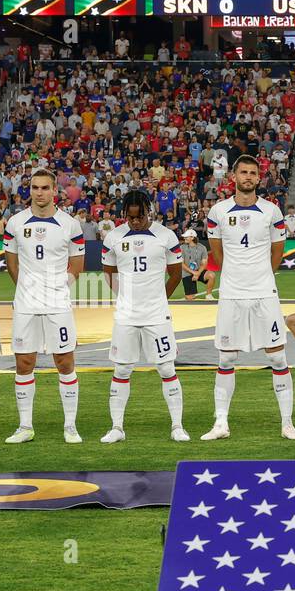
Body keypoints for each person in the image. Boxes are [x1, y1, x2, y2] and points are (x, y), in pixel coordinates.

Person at [201, 155, 295, 441]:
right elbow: (217, 252)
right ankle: (221, 423)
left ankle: (287, 424)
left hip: (264, 293)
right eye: (243, 172)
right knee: (227, 357)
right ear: (234, 176)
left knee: (278, 357)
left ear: (259, 178)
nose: (248, 177)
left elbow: (277, 252)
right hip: (232, 294)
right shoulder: (217, 212)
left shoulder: (272, 211)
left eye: (253, 173)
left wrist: (260, 277)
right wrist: (236, 276)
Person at [3, 167, 86, 444]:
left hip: (58, 304)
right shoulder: (15, 222)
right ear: (30, 190)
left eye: (45, 188)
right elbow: (11, 263)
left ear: (54, 191)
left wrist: (61, 286)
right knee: (24, 362)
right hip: (26, 305)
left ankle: (70, 426)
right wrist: (25, 288)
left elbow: (77, 264)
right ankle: (25, 426)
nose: (40, 192)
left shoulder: (70, 224)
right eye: (35, 188)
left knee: (64, 362)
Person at [99, 190, 187, 443]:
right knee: (122, 368)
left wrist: (160, 298)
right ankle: (117, 428)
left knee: (166, 366)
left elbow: (175, 275)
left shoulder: (166, 236)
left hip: (157, 314)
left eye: (139, 217)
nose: (135, 222)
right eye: (130, 217)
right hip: (126, 315)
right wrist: (124, 297)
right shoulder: (114, 237)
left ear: (148, 212)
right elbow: (109, 273)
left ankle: (177, 426)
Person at [179, 228, 215, 301]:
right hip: (187, 273)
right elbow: (181, 264)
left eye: (186, 237)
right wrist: (193, 272)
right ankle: (189, 295)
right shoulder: (182, 247)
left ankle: (208, 295)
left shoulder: (202, 247)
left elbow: (204, 263)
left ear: (192, 238)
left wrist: (198, 273)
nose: (184, 238)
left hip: (199, 271)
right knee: (190, 299)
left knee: (211, 275)